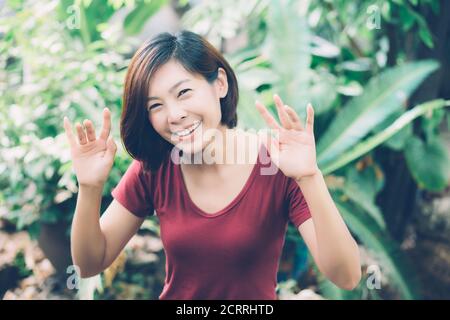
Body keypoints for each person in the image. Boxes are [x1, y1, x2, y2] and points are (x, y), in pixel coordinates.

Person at [64, 30, 361, 300]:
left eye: (183, 93)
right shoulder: (154, 168)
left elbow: (346, 276)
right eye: (156, 105)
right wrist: (89, 188)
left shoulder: (278, 165)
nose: (174, 115)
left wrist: (310, 176)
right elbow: (91, 263)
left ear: (219, 83)